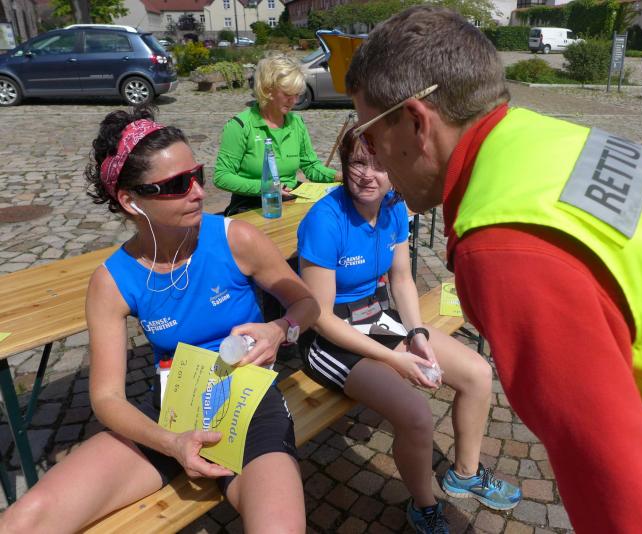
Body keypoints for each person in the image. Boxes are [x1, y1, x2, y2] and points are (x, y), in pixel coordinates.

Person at [343, 6, 642, 534]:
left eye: (370, 136)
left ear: (417, 122)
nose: (373, 158)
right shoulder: (543, 141)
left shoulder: (504, 245)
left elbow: (611, 487)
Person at [0, 107, 319, 533]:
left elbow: (307, 304)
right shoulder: (112, 281)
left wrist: (279, 330)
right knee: (25, 520)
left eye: (197, 175)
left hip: (249, 406)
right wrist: (172, 443)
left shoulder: (235, 238)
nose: (199, 192)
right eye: (176, 184)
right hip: (171, 415)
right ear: (130, 200)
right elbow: (107, 398)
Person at [296, 128, 521, 533]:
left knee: (477, 372)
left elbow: (401, 279)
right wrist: (394, 358)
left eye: (380, 164)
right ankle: (424, 505)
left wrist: (417, 333)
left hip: (376, 316)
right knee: (416, 414)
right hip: (329, 339)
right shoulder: (324, 220)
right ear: (344, 165)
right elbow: (319, 317)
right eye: (358, 163)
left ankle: (466, 473)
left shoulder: (395, 207)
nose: (368, 174)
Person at [214, 51, 342, 215]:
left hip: (290, 199)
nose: (294, 101)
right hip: (252, 204)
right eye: (287, 94)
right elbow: (221, 176)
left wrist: (340, 176)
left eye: (297, 94)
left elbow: (311, 167)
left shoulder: (296, 123)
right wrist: (265, 187)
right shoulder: (240, 126)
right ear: (267, 90)